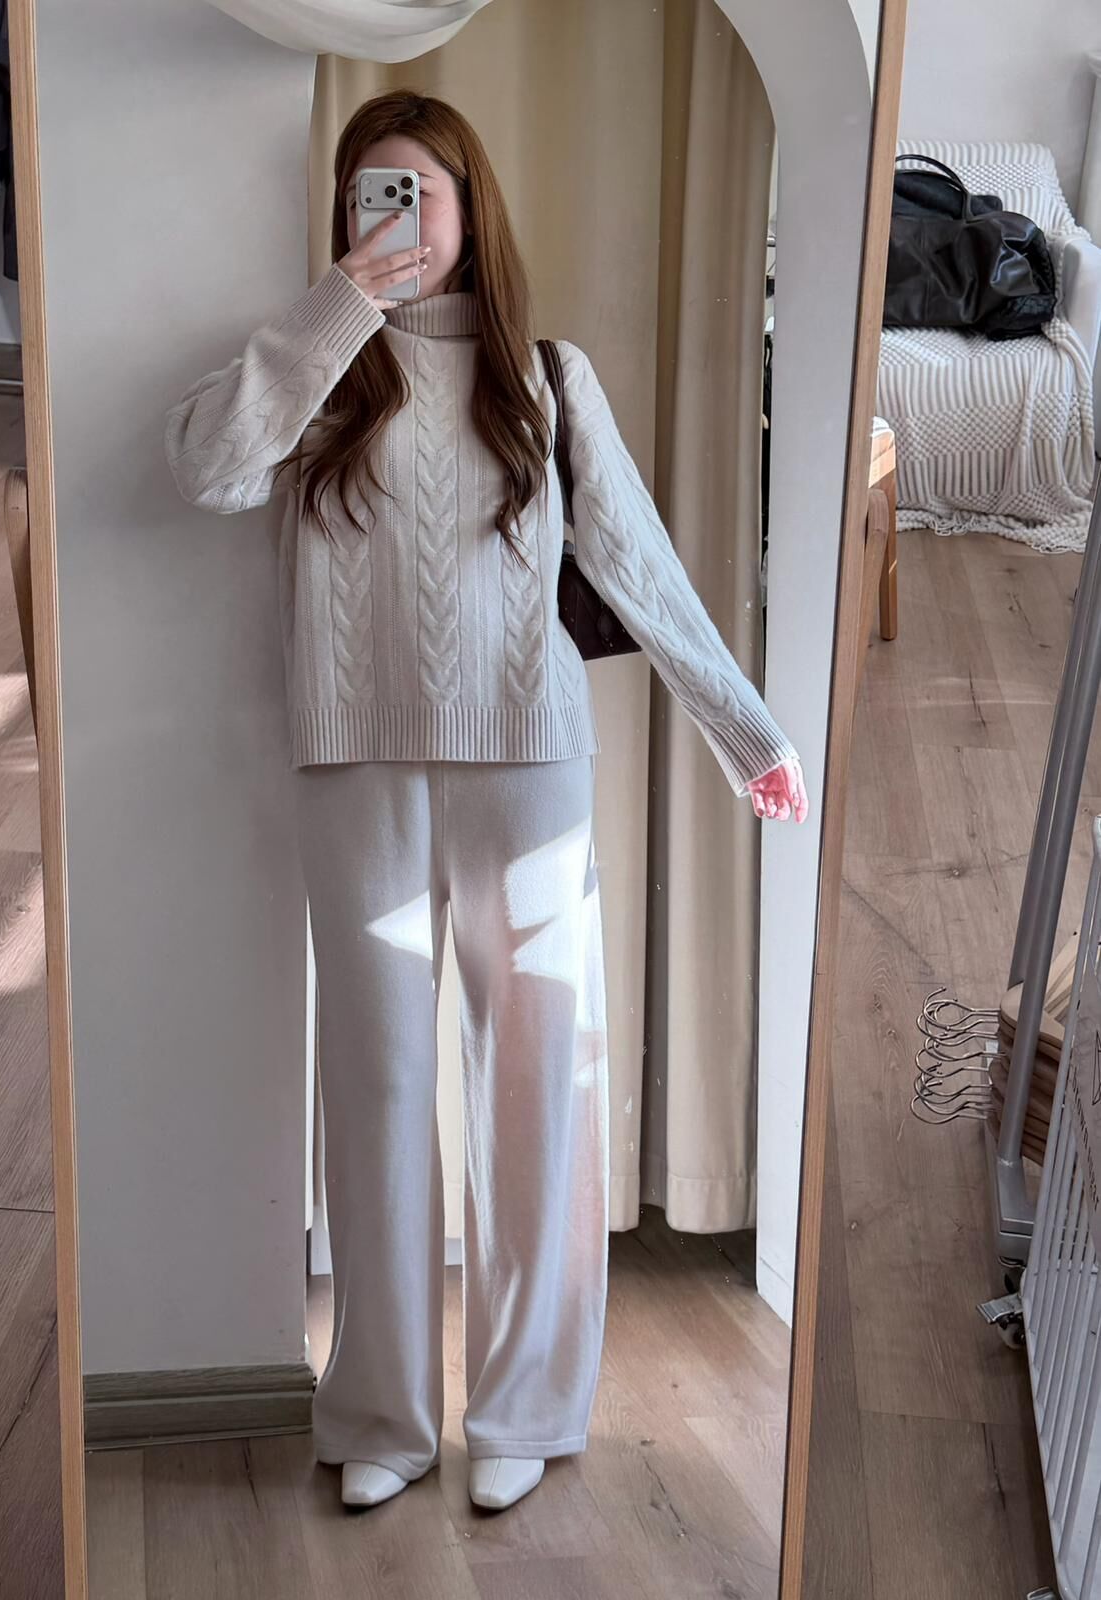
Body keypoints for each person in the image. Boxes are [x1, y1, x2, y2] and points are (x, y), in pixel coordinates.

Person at [163, 88, 808, 1516]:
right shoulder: (318, 372)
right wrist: (340, 304)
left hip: (530, 767)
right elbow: (202, 466)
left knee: (537, 1085)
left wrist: (747, 735)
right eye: (367, 195)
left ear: (472, 208)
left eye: (416, 193)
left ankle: (525, 1406)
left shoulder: (548, 379)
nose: (390, 217)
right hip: (357, 768)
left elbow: (640, 564)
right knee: (379, 1088)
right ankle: (380, 1413)